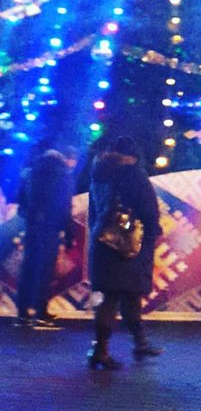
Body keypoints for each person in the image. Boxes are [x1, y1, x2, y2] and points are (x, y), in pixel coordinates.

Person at [87, 135, 163, 370]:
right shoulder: (134, 174)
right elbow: (149, 210)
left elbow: (93, 210)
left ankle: (136, 343)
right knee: (123, 295)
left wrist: (98, 232)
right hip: (129, 245)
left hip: (103, 241)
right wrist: (154, 232)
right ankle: (101, 351)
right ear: (133, 155)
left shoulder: (98, 172)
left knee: (116, 295)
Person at [15, 147, 76, 329]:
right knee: (45, 271)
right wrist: (68, 234)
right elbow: (65, 207)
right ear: (66, 158)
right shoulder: (63, 175)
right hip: (51, 228)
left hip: (33, 227)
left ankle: (23, 313)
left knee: (29, 268)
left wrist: (31, 217)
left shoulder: (31, 172)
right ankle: (41, 312)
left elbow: (21, 202)